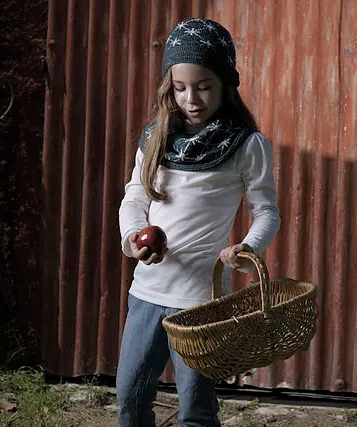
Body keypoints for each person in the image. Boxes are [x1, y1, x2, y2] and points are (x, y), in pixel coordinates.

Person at [117, 17, 280, 427]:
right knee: (130, 401)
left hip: (200, 305)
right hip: (147, 294)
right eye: (180, 87)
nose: (192, 98)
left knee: (195, 411)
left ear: (225, 82)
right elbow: (135, 195)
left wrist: (249, 246)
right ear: (168, 87)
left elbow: (267, 212)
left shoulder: (247, 146)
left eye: (204, 86)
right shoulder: (156, 136)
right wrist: (132, 236)